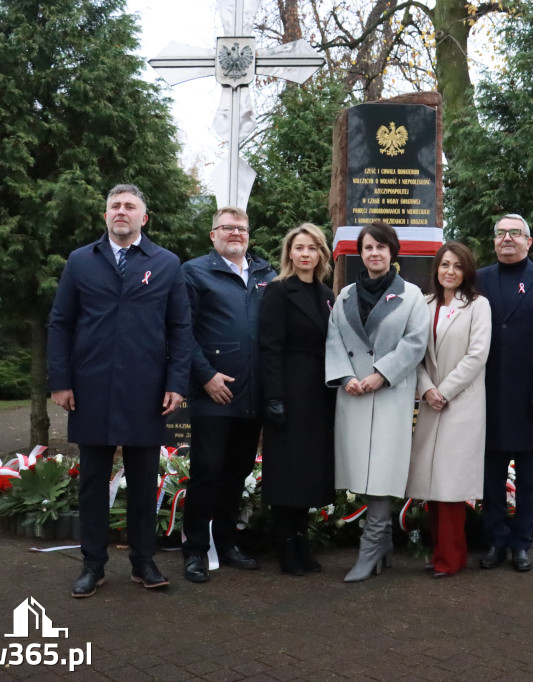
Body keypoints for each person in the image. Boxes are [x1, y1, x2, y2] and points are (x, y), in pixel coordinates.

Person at [48, 184, 192, 598]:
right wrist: (60, 381)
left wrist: (176, 383)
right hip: (91, 388)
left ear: (143, 218)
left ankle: (143, 561)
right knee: (92, 480)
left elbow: (180, 328)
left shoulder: (166, 263)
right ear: (105, 215)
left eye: (130, 207)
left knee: (145, 481)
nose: (122, 212)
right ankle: (93, 563)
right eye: (115, 206)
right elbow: (61, 324)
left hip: (146, 390)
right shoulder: (80, 261)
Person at [325, 221, 430, 582]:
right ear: (361, 252)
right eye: (368, 247)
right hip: (353, 393)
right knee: (361, 471)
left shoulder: (413, 296)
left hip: (388, 394)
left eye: (381, 247)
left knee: (383, 470)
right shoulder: (345, 295)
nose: (374, 253)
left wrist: (381, 374)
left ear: (392, 252)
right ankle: (383, 543)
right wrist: (346, 376)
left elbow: (415, 344)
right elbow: (334, 339)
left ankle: (370, 550)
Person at [180, 206, 276, 583]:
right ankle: (195, 551)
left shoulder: (266, 273)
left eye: (242, 229)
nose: (235, 233)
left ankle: (227, 541)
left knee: (236, 474)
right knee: (206, 473)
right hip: (213, 395)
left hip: (251, 396)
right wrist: (205, 377)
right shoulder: (194, 272)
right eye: (227, 228)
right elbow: (181, 332)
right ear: (213, 235)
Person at [477, 214, 533, 572]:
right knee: (491, 477)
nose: (507, 239)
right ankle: (496, 540)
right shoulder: (479, 279)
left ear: (529, 242)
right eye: (500, 233)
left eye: (515, 233)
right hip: (487, 397)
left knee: (529, 478)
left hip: (532, 396)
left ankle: (521, 543)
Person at [406, 242, 491, 578]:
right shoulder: (423, 305)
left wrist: (444, 390)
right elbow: (415, 353)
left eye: (457, 266)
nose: (450, 272)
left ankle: (450, 559)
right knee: (431, 485)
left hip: (461, 404)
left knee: (450, 487)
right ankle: (442, 553)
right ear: (436, 269)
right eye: (444, 265)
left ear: (466, 271)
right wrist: (427, 388)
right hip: (430, 403)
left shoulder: (477, 306)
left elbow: (477, 355)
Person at [259, 223, 336, 576]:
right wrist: (274, 397)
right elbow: (269, 348)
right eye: (299, 247)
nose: (305, 253)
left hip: (318, 396)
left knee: (307, 473)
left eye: (312, 248)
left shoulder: (326, 294)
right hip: (288, 392)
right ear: (289, 253)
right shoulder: (278, 291)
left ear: (321, 254)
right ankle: (286, 547)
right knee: (286, 473)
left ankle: (302, 542)